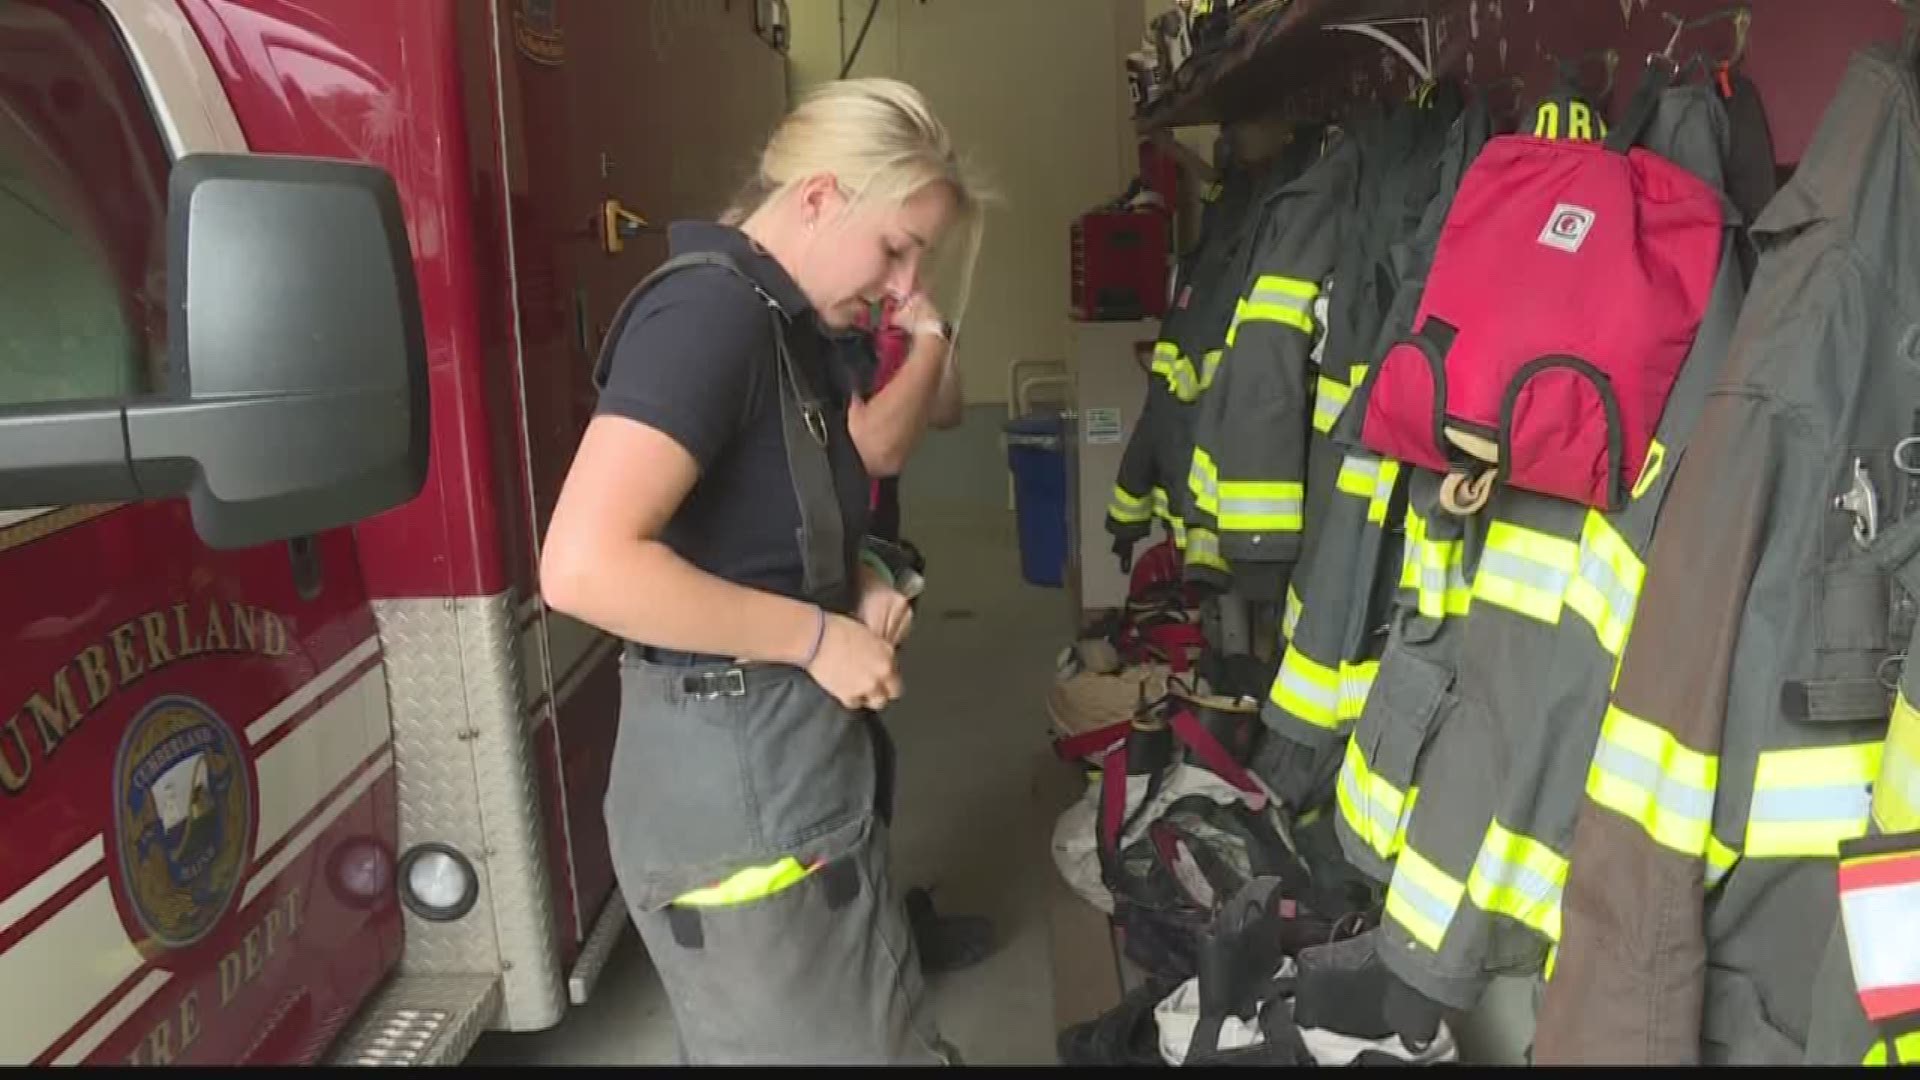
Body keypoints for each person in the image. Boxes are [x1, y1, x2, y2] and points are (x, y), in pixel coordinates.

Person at [539, 77, 985, 1064]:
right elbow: (582, 566)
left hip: (792, 772)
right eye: (897, 247)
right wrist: (816, 634)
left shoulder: (786, 326)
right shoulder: (710, 320)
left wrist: (856, 575)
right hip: (737, 791)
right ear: (820, 197)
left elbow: (767, 518)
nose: (907, 288)